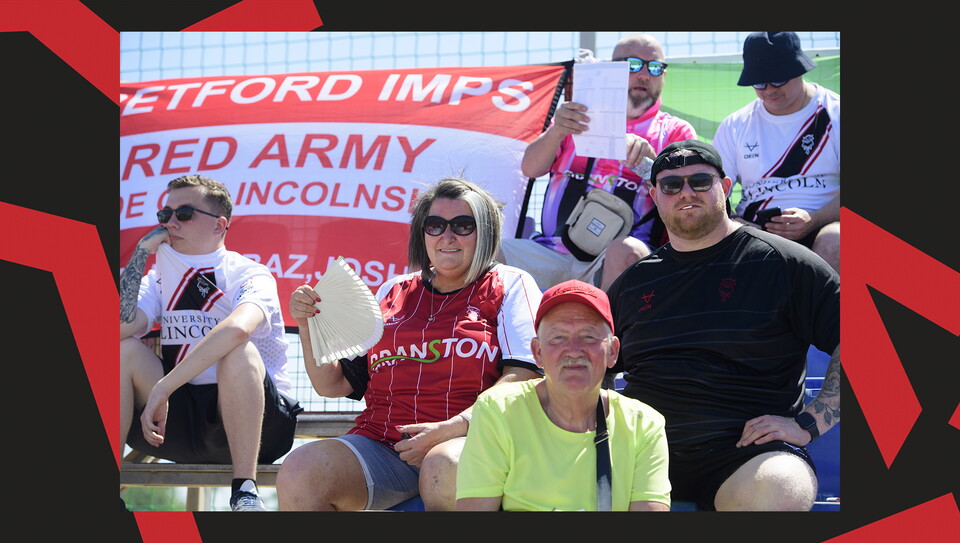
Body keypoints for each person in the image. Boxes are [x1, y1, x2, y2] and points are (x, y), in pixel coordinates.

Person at [276, 177, 543, 511]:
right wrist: (307, 324)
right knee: (300, 470)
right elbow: (332, 384)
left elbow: (523, 378)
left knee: (442, 465)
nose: (447, 236)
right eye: (435, 225)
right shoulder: (392, 290)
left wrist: (449, 430)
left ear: (485, 233)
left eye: (463, 225)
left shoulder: (511, 283)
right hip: (383, 446)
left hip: (469, 441)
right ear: (422, 233)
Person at [607, 139, 841, 511]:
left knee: (781, 488)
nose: (686, 192)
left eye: (700, 181)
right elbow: (595, 360)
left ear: (726, 187)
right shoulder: (633, 283)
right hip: (641, 454)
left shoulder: (781, 263)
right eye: (671, 185)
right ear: (654, 195)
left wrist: (809, 423)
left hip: (745, 457)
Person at [120, 174, 300, 512]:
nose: (170, 223)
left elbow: (239, 329)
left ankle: (245, 492)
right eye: (165, 214)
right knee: (123, 350)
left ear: (219, 225)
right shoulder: (157, 277)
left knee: (237, 350)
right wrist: (141, 252)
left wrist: (163, 387)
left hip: (258, 426)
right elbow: (114, 328)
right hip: (175, 422)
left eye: (184, 214)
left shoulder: (249, 273)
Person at [498, 33, 698, 290]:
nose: (644, 74)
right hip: (552, 250)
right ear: (612, 69)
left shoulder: (675, 131)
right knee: (489, 251)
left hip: (615, 260)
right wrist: (557, 130)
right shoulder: (577, 116)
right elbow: (530, 168)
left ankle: (607, 318)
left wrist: (653, 163)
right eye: (633, 64)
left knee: (625, 250)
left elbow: (687, 195)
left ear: (663, 76)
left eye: (655, 67)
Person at [456, 280, 670, 511]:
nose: (574, 350)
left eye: (588, 336)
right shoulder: (497, 411)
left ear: (613, 351)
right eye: (558, 337)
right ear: (537, 352)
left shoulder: (644, 425)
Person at [713, 31, 840, 272]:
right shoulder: (735, 124)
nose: (769, 89)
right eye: (759, 82)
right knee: (731, 240)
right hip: (754, 229)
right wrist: (737, 224)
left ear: (799, 69)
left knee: (836, 241)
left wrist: (815, 219)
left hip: (823, 227)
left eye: (778, 80)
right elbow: (714, 191)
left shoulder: (836, 112)